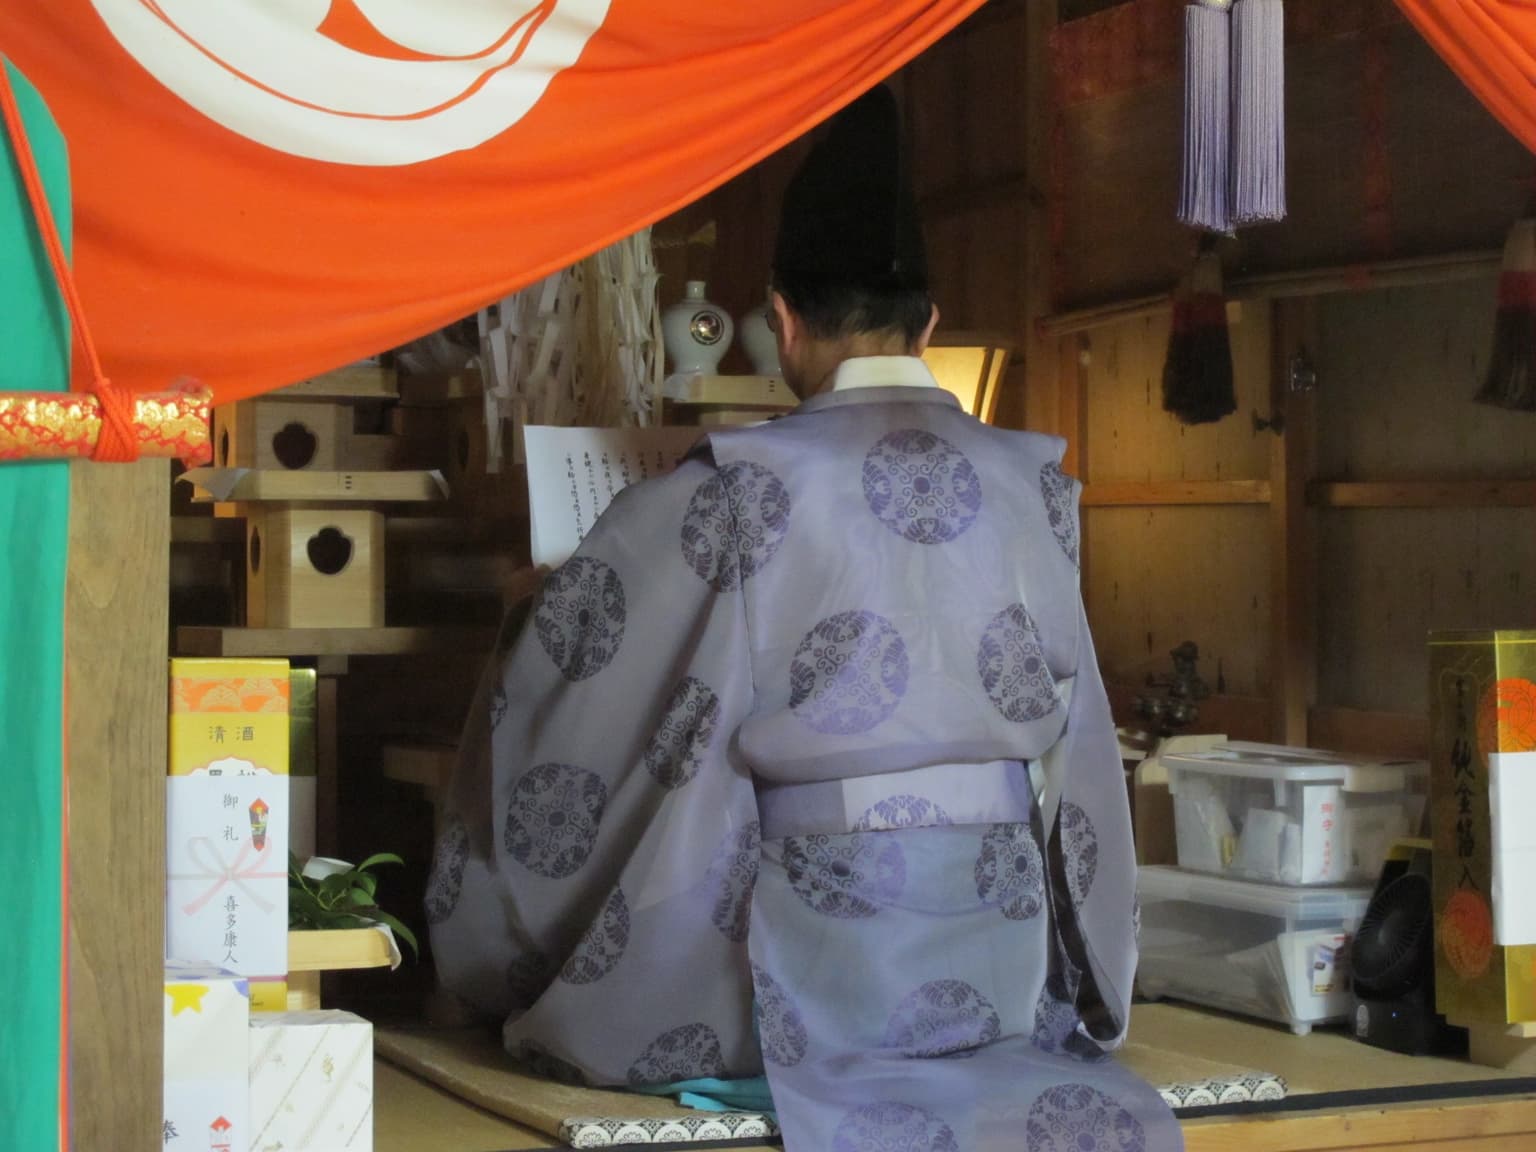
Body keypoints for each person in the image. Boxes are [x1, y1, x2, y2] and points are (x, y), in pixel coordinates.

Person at [427, 85, 1182, 1152]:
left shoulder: (736, 491)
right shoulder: (1040, 486)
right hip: (1002, 962)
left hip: (799, 960)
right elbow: (1085, 757)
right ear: (928, 325)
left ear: (781, 320)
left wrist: (534, 611)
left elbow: (579, 686)